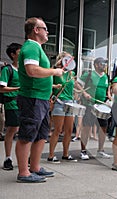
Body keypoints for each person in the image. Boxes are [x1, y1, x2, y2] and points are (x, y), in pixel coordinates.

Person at [16, 17, 63, 183]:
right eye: (44, 28)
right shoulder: (31, 47)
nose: (47, 31)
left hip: (40, 98)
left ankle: (34, 167)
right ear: (36, 30)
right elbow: (32, 70)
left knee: (41, 134)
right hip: (32, 97)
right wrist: (54, 72)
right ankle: (24, 172)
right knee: (27, 134)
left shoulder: (37, 48)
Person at [75, 57, 112, 160]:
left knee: (103, 129)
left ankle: (100, 150)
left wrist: (109, 96)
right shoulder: (89, 74)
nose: (104, 65)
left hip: (102, 106)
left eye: (105, 64)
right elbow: (76, 83)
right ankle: (83, 151)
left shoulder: (106, 77)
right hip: (89, 105)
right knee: (86, 127)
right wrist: (84, 93)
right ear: (96, 64)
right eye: (102, 63)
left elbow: (107, 89)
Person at [47, 51, 77, 163]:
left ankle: (66, 154)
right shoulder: (55, 72)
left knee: (69, 130)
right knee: (58, 130)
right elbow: (47, 83)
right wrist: (55, 86)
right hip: (59, 101)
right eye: (66, 59)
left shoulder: (71, 74)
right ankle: (51, 155)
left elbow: (73, 88)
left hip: (70, 102)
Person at [0, 43, 22, 170]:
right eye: (20, 52)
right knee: (12, 130)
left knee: (23, 130)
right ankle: (8, 158)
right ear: (13, 55)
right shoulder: (7, 70)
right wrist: (18, 88)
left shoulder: (25, 70)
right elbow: (1, 89)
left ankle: (24, 158)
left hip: (24, 104)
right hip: (12, 104)